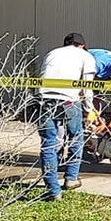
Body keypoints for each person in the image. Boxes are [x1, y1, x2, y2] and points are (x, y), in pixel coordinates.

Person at [35, 32, 97, 200]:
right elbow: (87, 86)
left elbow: (41, 77)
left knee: (48, 143)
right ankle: (71, 178)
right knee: (76, 137)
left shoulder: (52, 53)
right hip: (69, 100)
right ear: (82, 45)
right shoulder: (86, 56)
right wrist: (89, 109)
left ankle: (53, 191)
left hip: (45, 99)